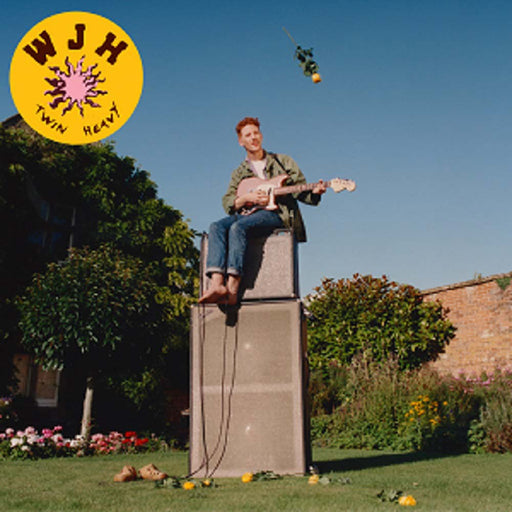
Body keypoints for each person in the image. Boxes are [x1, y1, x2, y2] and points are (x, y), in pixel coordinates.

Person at [198, 117, 326, 305]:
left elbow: (300, 190)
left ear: (261, 135)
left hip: (276, 214)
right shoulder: (239, 172)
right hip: (248, 214)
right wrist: (246, 198)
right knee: (216, 226)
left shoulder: (282, 162)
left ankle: (232, 288)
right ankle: (216, 284)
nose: (253, 138)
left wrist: (315, 192)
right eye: (248, 135)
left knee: (237, 228)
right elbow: (228, 202)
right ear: (241, 141)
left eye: (256, 133)